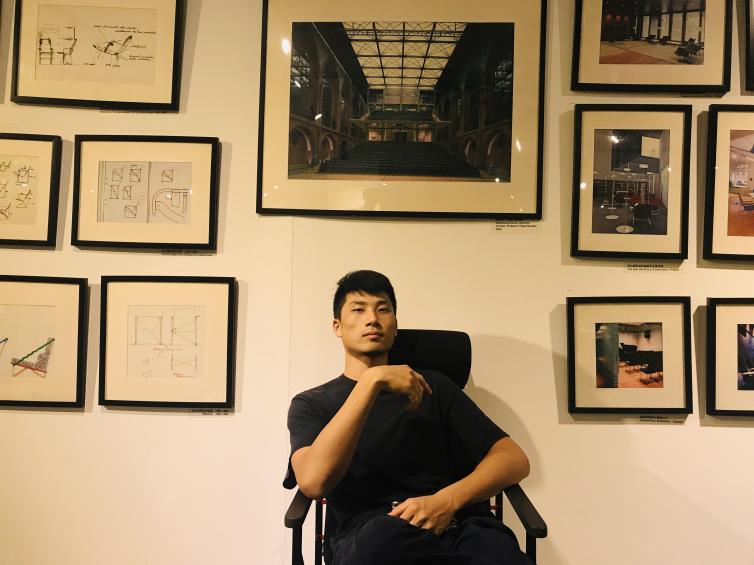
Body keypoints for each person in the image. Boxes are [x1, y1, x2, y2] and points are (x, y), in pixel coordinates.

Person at [285, 270, 533, 565]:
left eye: (383, 309)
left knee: (499, 549)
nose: (372, 318)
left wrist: (446, 501)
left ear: (395, 327)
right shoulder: (313, 404)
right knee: (381, 544)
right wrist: (371, 381)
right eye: (359, 309)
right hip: (375, 537)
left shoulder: (433, 387)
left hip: (456, 526)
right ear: (337, 326)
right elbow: (313, 483)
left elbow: (514, 459)